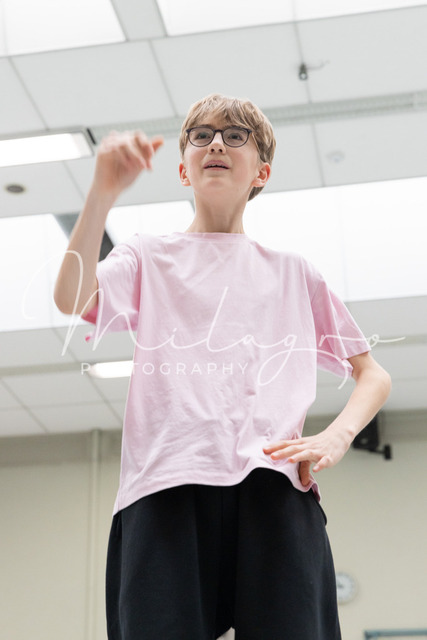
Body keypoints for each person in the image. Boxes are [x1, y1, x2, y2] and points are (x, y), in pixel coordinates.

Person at [54, 93, 392, 640]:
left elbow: (373, 374)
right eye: (201, 135)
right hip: (166, 486)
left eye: (235, 136)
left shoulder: (294, 273)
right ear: (183, 169)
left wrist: (337, 435)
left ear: (261, 171)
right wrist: (102, 194)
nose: (215, 143)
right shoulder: (148, 255)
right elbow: (72, 297)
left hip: (273, 487)